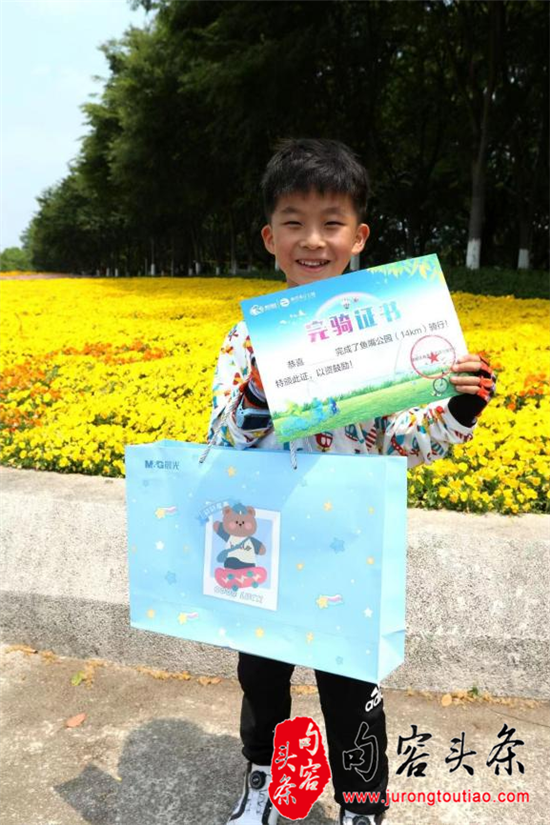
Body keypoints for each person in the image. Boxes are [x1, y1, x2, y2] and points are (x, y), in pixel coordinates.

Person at [207, 139, 496, 825]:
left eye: (331, 222)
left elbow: (400, 441)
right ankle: (267, 778)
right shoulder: (246, 338)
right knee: (262, 675)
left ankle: (362, 804)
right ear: (270, 238)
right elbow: (223, 439)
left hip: (347, 544)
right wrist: (261, 387)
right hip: (264, 541)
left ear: (359, 237)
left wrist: (457, 411)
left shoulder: (381, 334)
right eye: (294, 222)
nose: (314, 239)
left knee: (352, 685)